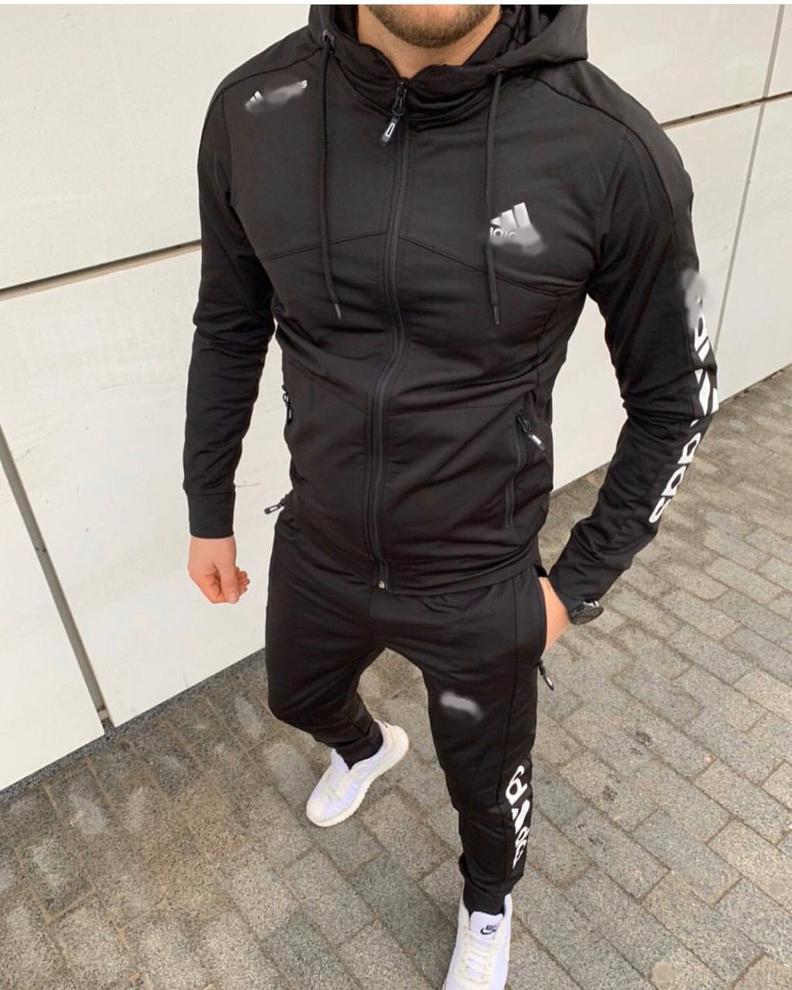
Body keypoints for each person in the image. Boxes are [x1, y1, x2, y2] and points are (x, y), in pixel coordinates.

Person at [182, 5, 719, 987]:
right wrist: (206, 508)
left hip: (479, 577)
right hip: (321, 543)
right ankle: (365, 749)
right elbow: (227, 323)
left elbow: (678, 399)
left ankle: (487, 903)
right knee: (295, 695)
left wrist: (573, 589)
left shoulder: (609, 147)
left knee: (485, 787)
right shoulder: (254, 109)